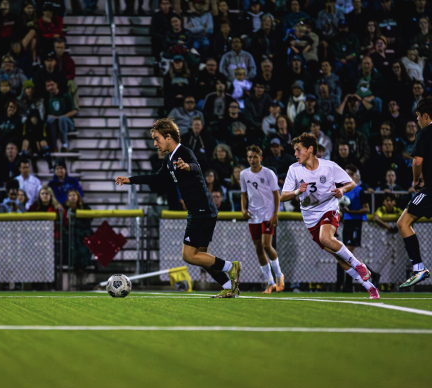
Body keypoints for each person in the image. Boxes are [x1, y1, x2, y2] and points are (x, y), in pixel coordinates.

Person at [115, 119, 242, 299]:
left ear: (168, 137)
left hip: (201, 211)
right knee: (202, 256)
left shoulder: (184, 152)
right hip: (201, 211)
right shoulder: (169, 159)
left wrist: (188, 166)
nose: (155, 143)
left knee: (189, 255)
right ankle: (230, 287)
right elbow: (156, 178)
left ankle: (231, 267)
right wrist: (130, 180)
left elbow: (197, 168)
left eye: (157, 139)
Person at [280, 133, 379, 299]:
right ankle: (370, 287)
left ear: (310, 149)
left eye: (298, 150)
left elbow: (351, 183)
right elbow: (283, 196)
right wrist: (297, 191)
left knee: (326, 238)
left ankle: (358, 264)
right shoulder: (294, 169)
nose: (295, 154)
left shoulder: (329, 166)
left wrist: (341, 190)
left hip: (329, 209)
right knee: (337, 254)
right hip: (310, 218)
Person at [396, 97, 432, 288]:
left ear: (426, 115)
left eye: (418, 117)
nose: (418, 121)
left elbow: (417, 161)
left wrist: (416, 180)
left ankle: (419, 269)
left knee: (403, 223)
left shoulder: (425, 133)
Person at [240, 145, 283, 294]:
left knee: (266, 245)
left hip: (267, 213)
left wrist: (275, 213)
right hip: (253, 215)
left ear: (260, 158)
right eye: (250, 157)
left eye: (255, 157)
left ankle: (278, 275)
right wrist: (243, 209)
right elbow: (243, 194)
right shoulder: (244, 174)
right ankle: (269, 282)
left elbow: (277, 195)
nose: (252, 159)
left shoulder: (269, 173)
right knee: (258, 248)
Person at [338, 165, 370, 292]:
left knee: (348, 255)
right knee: (346, 255)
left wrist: (351, 211)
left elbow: (366, 208)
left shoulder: (359, 191)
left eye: (350, 174)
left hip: (356, 223)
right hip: (347, 224)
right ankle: (371, 274)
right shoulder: (344, 191)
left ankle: (348, 284)